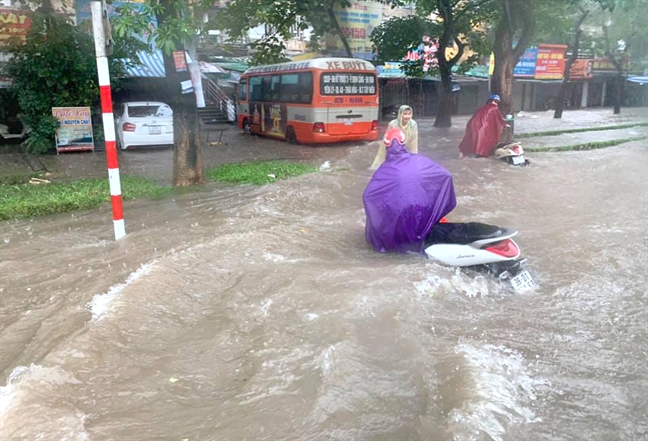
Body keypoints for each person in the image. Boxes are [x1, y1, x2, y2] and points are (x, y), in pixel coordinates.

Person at [363, 128, 457, 254]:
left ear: (386, 147)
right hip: (421, 214)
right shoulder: (420, 161)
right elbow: (445, 176)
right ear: (404, 144)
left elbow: (368, 196)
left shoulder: (384, 170)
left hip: (398, 220)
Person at [370, 104, 419, 170]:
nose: (407, 116)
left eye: (409, 114)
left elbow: (414, 144)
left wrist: (414, 160)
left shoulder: (413, 125)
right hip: (394, 147)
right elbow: (388, 140)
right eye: (405, 114)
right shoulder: (393, 124)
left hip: (406, 146)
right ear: (400, 114)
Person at [458, 94, 506, 158]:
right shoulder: (494, 108)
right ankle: (480, 155)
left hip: (472, 125)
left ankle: (463, 153)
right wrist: (504, 124)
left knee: (469, 139)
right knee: (483, 143)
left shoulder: (481, 108)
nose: (496, 103)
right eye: (496, 102)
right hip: (482, 128)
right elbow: (498, 119)